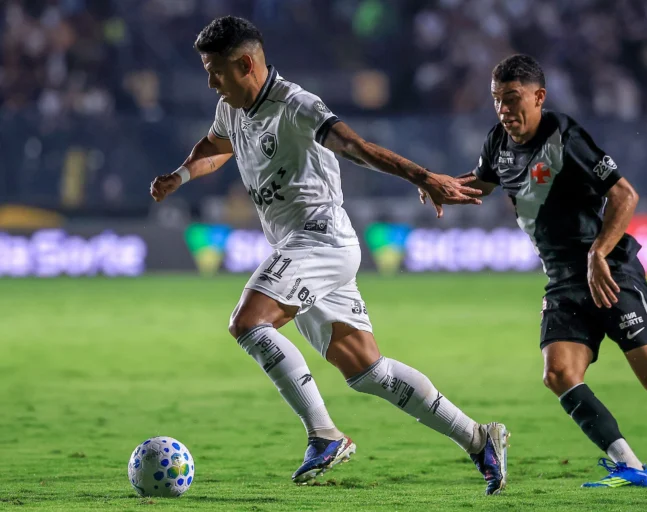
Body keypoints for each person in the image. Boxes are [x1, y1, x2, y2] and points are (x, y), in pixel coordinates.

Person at [149, 16, 509, 495]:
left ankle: (324, 435)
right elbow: (215, 145)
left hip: (319, 239)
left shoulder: (296, 105)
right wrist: (180, 175)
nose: (211, 82)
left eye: (216, 71)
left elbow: (356, 147)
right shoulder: (231, 108)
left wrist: (423, 177)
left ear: (246, 64)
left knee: (248, 322)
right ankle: (479, 438)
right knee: (367, 371)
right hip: (301, 247)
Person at [420, 54, 647, 488]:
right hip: (563, 279)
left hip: (609, 270)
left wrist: (598, 255)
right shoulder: (497, 141)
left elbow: (625, 195)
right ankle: (630, 465)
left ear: (539, 97)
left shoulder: (564, 137)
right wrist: (439, 184)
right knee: (559, 374)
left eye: (512, 99)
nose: (503, 110)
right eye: (496, 100)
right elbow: (485, 182)